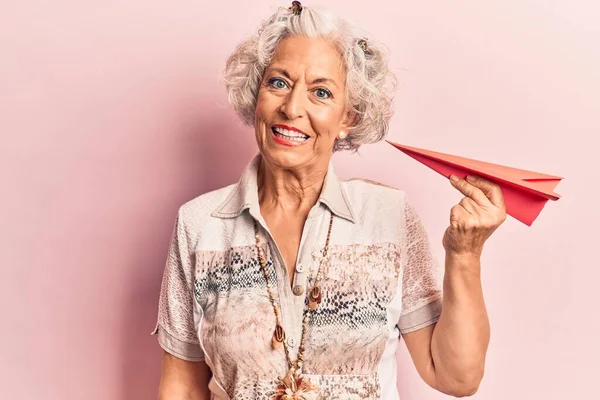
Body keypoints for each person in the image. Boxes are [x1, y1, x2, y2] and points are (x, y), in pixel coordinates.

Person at [152, 2, 507, 399]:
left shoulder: (387, 216)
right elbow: (182, 384)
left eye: (320, 92)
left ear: (348, 118)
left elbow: (457, 377)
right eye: (278, 83)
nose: (292, 108)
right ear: (256, 98)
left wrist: (464, 253)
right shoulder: (200, 225)